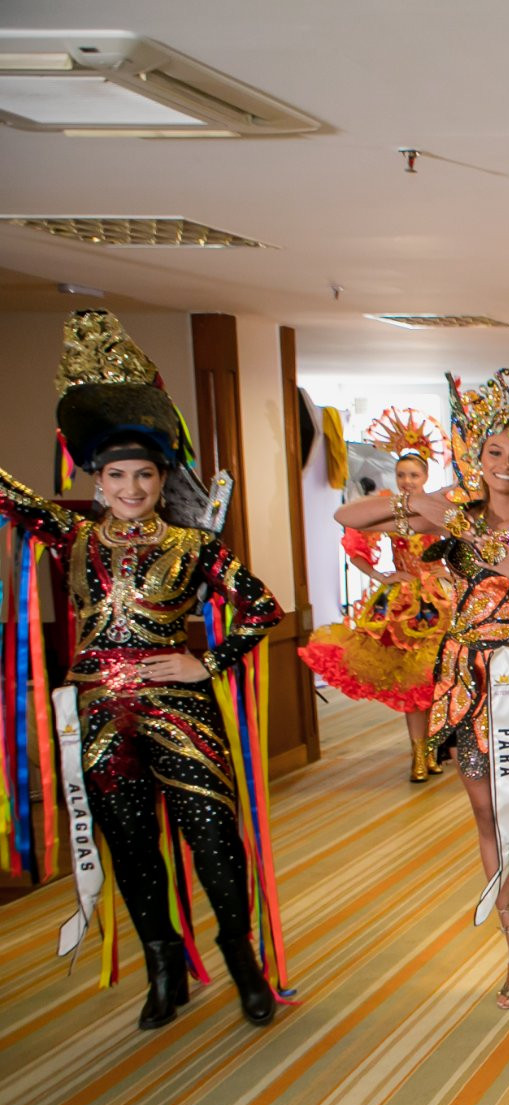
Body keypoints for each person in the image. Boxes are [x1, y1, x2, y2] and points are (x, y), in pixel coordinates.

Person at [2, 310, 284, 1029]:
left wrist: (205, 661)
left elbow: (262, 608)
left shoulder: (196, 546)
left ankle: (241, 959)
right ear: (96, 481)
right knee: (128, 843)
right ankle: (164, 968)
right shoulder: (69, 536)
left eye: (144, 474)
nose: (131, 487)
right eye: (117, 475)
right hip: (99, 714)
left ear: (162, 479)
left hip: (178, 709)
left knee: (213, 837)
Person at [336, 366, 509, 1033]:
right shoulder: (453, 519)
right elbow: (350, 514)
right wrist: (426, 499)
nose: (506, 465)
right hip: (464, 684)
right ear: (476, 457)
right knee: (489, 820)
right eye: (494, 453)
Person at [298, 410, 454, 782]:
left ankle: (432, 749)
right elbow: (355, 543)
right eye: (402, 475)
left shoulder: (439, 504)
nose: (407, 481)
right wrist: (380, 575)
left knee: (436, 681)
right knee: (412, 681)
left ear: (426, 477)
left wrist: (448, 574)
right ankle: (419, 755)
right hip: (404, 605)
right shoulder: (389, 506)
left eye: (414, 475)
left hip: (441, 600)